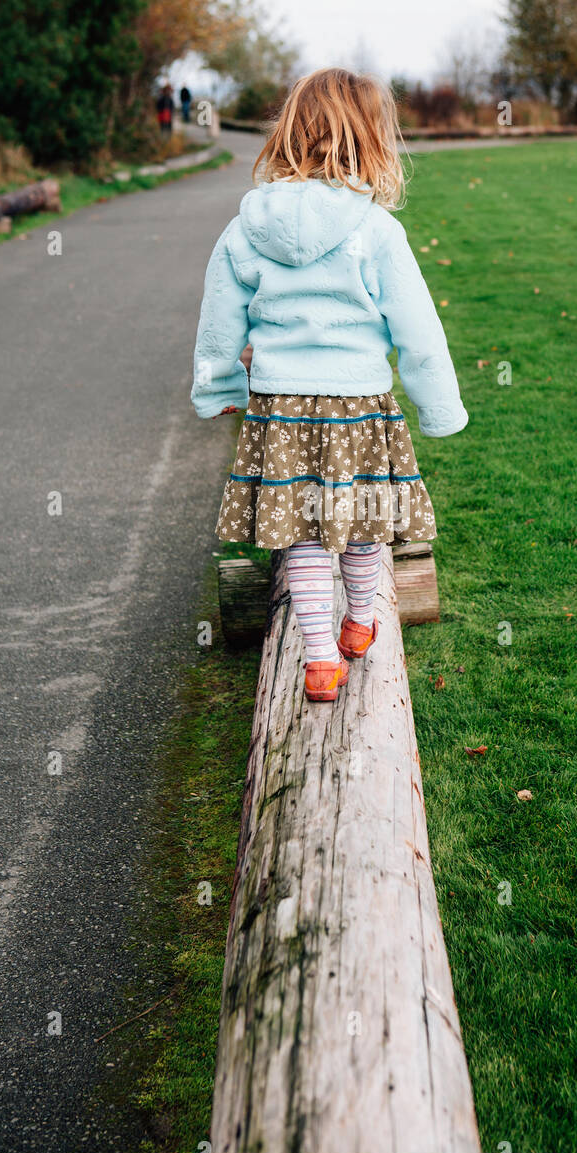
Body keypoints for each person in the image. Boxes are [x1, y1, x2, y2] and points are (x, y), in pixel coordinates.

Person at [190, 68, 468, 702]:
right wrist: (440, 408)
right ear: (370, 138)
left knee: (303, 530)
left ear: (290, 132)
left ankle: (319, 661)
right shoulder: (376, 231)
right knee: (365, 519)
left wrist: (218, 389)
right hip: (359, 406)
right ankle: (361, 622)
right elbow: (418, 331)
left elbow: (218, 321)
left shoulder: (245, 228)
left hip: (280, 408)